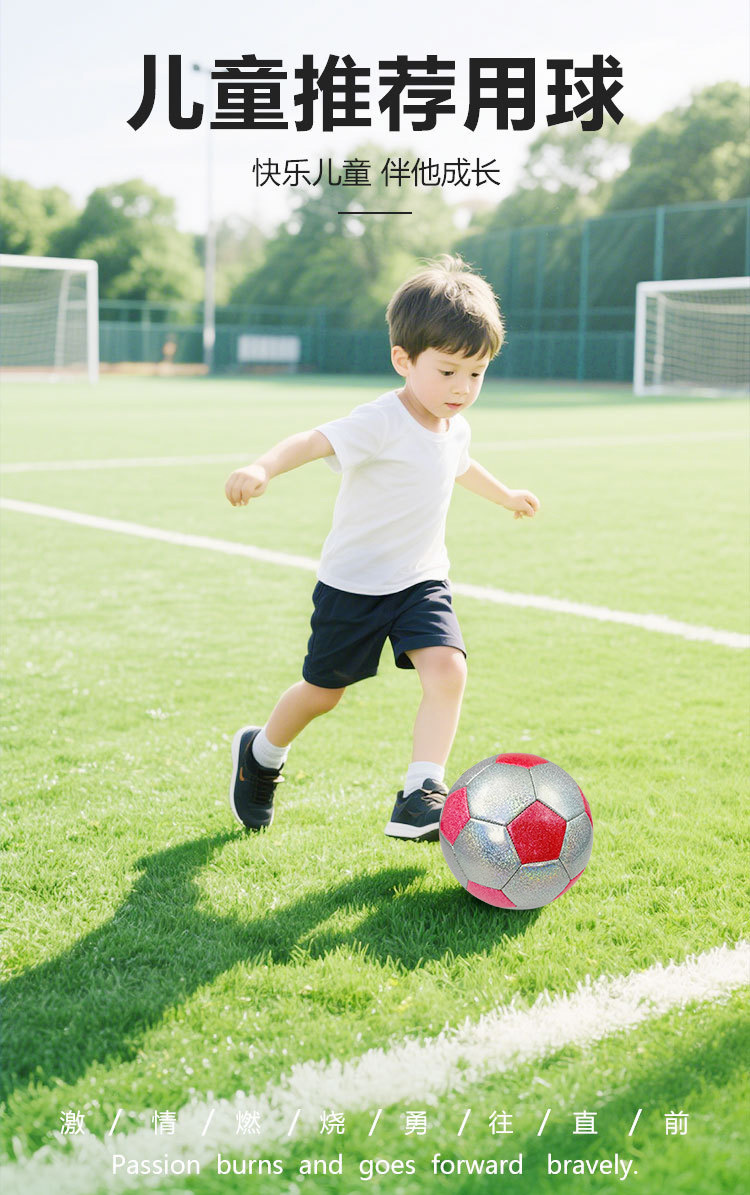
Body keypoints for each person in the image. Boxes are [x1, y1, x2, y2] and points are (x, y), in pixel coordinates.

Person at [224, 255, 539, 839]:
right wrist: (262, 467)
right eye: (448, 371)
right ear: (403, 359)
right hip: (354, 585)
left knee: (447, 670)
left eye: (476, 373)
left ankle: (421, 792)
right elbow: (313, 440)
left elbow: (459, 465)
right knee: (323, 694)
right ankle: (261, 755)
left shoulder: (455, 424)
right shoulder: (381, 421)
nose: (462, 388)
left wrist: (506, 496)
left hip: (421, 580)